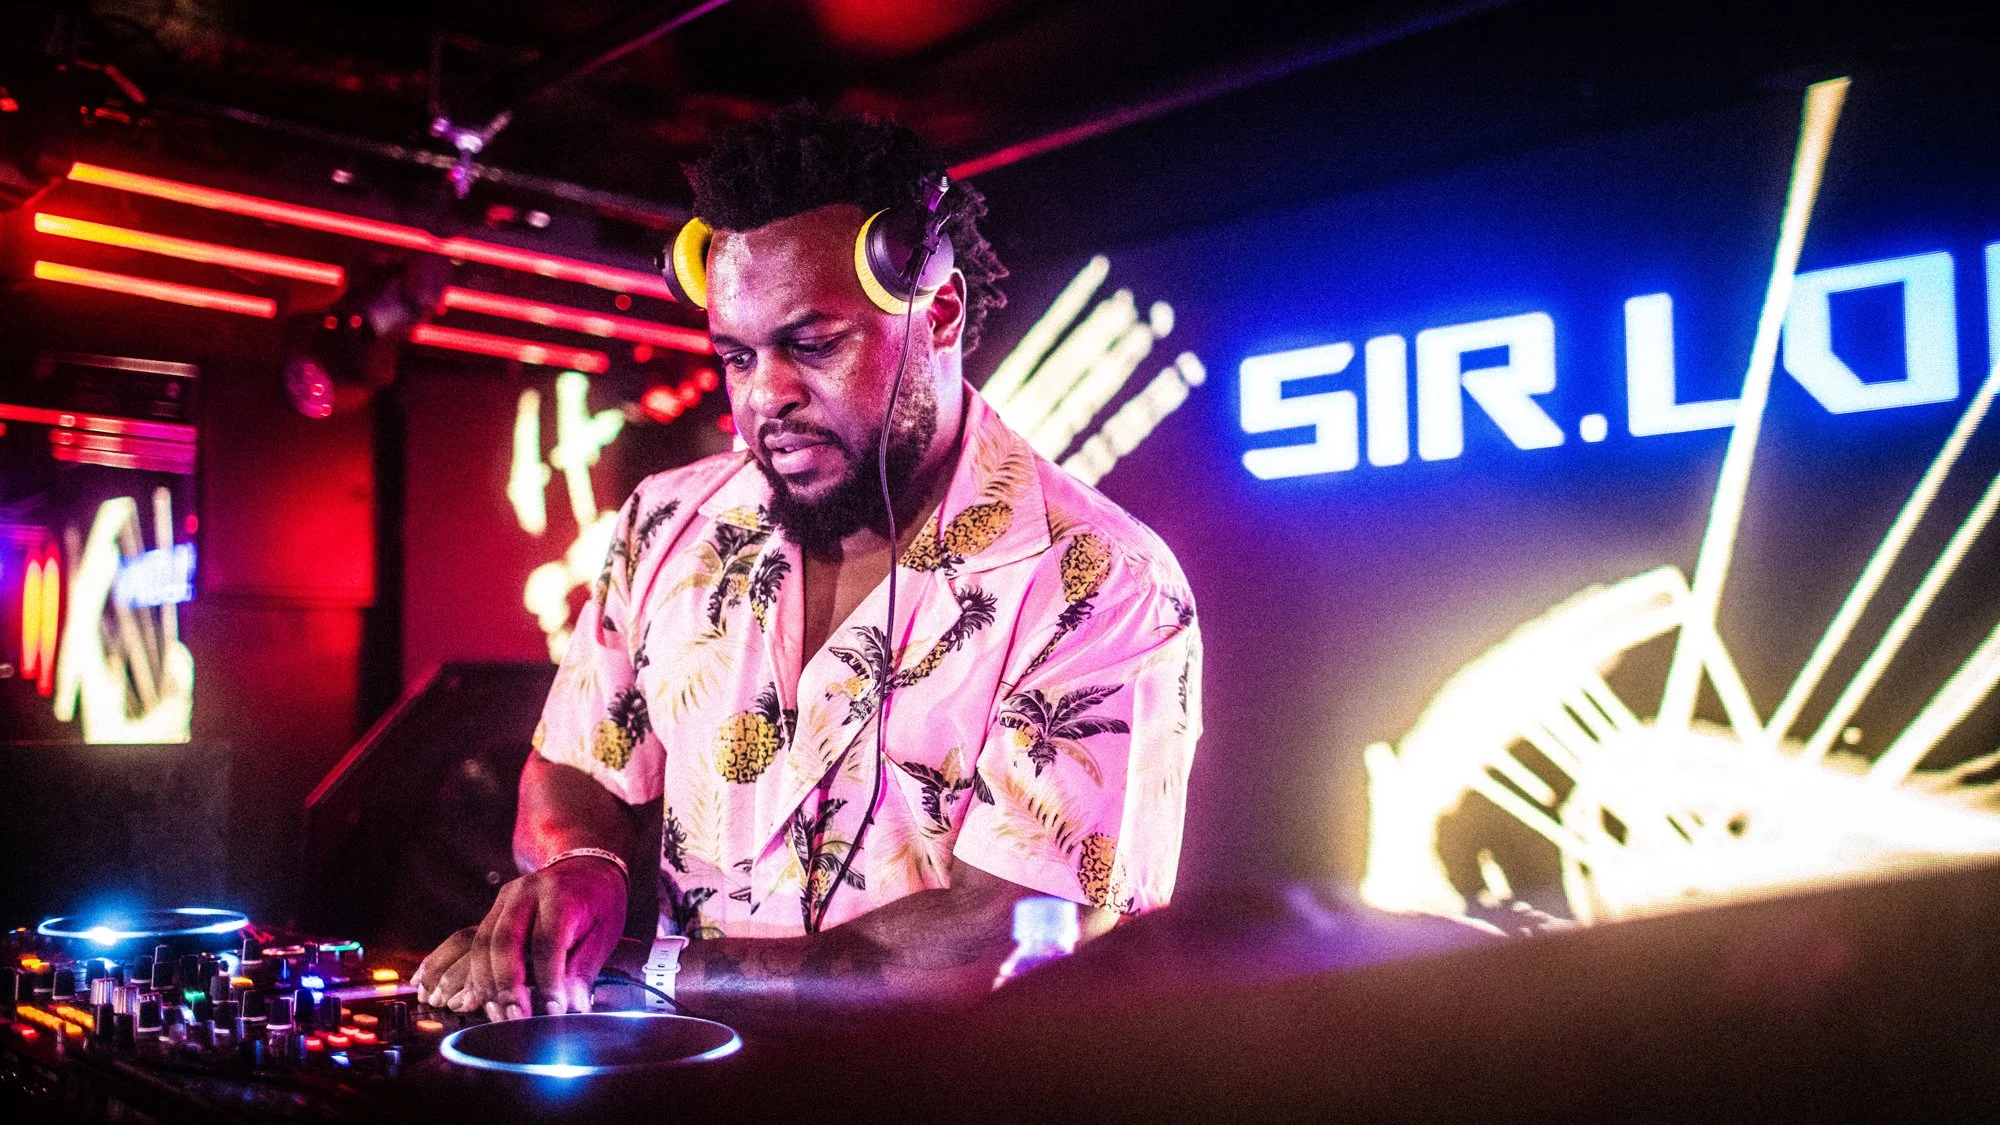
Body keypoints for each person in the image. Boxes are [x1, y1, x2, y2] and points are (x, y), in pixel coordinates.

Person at [413, 105, 1202, 1027]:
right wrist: (582, 867)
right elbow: (578, 764)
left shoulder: (1102, 580)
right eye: (737, 356)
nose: (765, 397)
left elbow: (1013, 928)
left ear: (938, 312)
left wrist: (650, 973)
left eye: (812, 345)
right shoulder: (663, 524)